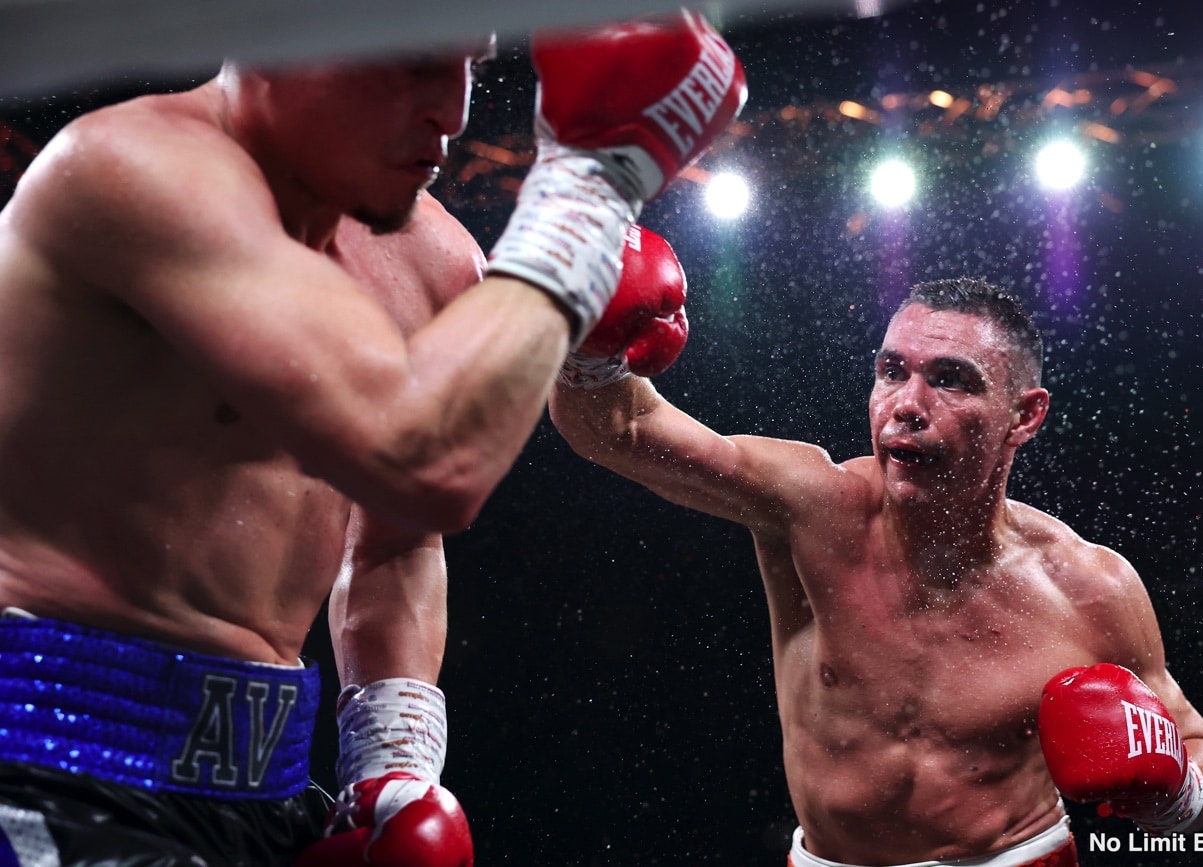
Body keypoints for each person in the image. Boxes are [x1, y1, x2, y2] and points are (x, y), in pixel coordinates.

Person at [0, 8, 745, 865]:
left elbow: (397, 538)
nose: (452, 111)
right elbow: (424, 461)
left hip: (270, 792)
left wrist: (390, 763)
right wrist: (591, 189)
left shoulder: (436, 262)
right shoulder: (137, 170)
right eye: (414, 60)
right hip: (52, 761)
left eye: (468, 66)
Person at [549, 274, 1203, 867]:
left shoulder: (1086, 586)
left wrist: (1177, 799)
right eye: (892, 371)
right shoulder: (809, 507)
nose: (907, 403)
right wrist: (589, 346)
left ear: (1024, 415)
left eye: (951, 379)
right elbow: (618, 429)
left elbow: (1195, 741)